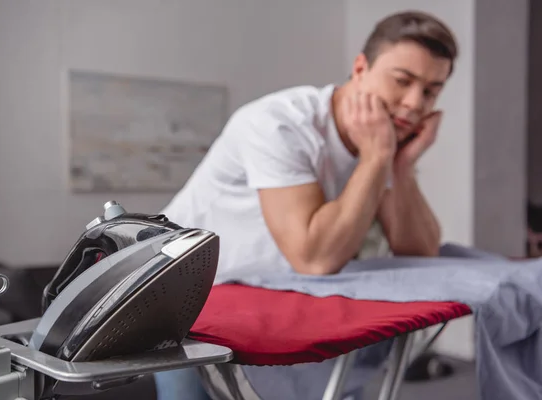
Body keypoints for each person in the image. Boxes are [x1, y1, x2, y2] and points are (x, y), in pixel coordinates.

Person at [154, 9, 459, 400]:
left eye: (431, 91)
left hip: (266, 297)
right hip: (184, 299)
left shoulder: (380, 139)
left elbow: (419, 250)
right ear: (361, 68)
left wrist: (400, 166)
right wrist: (376, 158)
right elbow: (313, 258)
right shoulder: (278, 124)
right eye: (403, 81)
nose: (415, 103)